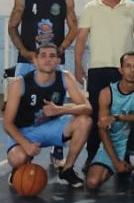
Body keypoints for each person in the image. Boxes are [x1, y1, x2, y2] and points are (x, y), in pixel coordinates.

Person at [7, 0, 78, 167]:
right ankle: (21, 146)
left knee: (54, 104)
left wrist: (62, 49)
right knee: (18, 105)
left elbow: (74, 28)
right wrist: (25, 51)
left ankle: (57, 151)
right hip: (27, 59)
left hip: (52, 61)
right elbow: (11, 27)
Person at [75, 0, 134, 164]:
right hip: (97, 70)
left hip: (123, 71)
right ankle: (92, 156)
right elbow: (81, 39)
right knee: (97, 113)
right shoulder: (91, 8)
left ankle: (123, 157)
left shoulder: (132, 8)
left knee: (124, 115)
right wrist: (78, 64)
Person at [4, 44, 92, 188]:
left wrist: (60, 110)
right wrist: (26, 145)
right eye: (43, 55)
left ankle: (67, 169)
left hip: (51, 127)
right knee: (17, 158)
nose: (48, 59)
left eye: (52, 56)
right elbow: (7, 123)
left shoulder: (65, 77)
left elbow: (88, 108)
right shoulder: (19, 83)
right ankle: (19, 167)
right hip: (24, 132)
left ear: (58, 61)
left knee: (85, 121)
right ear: (35, 61)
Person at [85, 52, 134, 194]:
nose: (132, 70)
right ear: (121, 70)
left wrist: (117, 117)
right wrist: (116, 163)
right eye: (128, 66)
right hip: (114, 140)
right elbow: (102, 128)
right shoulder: (107, 93)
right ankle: (121, 165)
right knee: (92, 182)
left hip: (133, 137)